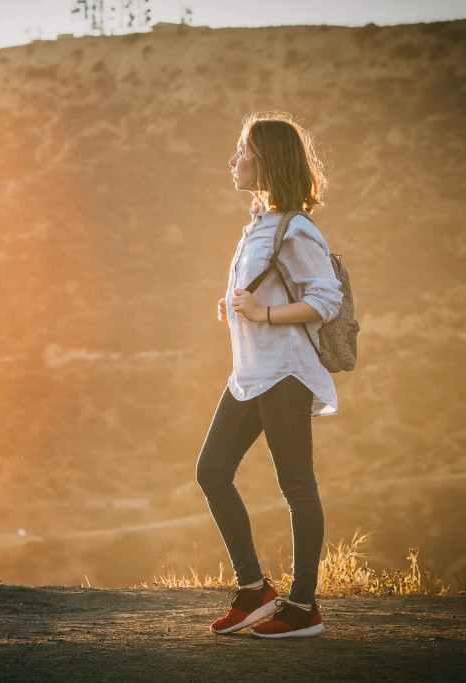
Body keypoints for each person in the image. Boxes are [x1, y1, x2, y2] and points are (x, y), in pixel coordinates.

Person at [196, 111, 342, 639]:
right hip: (249, 373)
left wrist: (263, 314)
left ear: (269, 160)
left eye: (244, 151)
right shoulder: (259, 225)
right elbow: (265, 288)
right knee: (211, 472)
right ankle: (255, 590)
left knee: (297, 487)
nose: (234, 160)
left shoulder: (296, 227)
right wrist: (236, 305)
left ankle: (303, 608)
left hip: (284, 372)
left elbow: (326, 298)